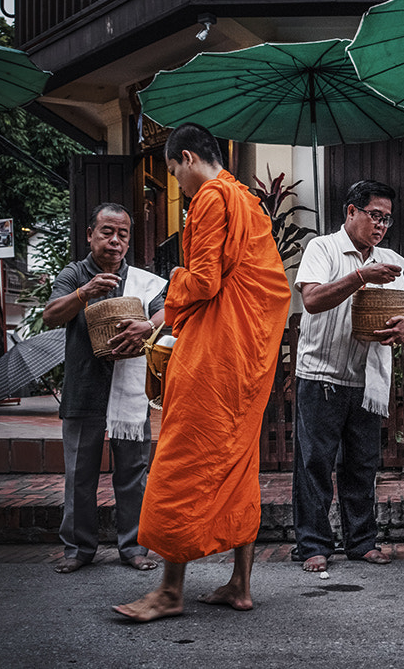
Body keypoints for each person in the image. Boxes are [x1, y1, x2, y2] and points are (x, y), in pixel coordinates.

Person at [113, 123, 291, 621]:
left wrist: (173, 278)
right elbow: (270, 285)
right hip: (249, 355)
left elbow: (205, 280)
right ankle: (240, 584)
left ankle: (169, 591)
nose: (177, 184)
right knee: (237, 459)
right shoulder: (250, 203)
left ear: (188, 158)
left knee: (183, 456)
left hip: (215, 352)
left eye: (173, 173)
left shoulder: (213, 198)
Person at [292, 180, 404, 573]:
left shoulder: (388, 258)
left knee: (363, 465)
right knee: (315, 463)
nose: (381, 225)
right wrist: (361, 277)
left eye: (387, 219)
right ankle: (313, 545)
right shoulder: (323, 248)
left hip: (367, 380)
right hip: (321, 375)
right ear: (352, 212)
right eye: (375, 216)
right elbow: (312, 300)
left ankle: (362, 541)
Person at [44, 203, 166, 574]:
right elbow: (51, 315)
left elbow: (168, 311)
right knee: (80, 474)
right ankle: (79, 549)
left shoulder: (144, 281)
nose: (115, 241)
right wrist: (85, 292)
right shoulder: (74, 274)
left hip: (130, 392)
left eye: (123, 234)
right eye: (106, 232)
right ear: (90, 235)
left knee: (132, 471)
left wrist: (147, 325)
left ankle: (133, 547)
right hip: (84, 387)